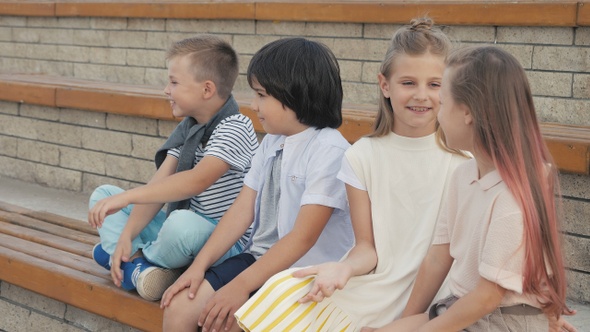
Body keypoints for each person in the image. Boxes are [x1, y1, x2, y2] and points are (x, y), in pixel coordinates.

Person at [235, 17, 469, 331]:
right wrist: (343, 268)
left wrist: (404, 323)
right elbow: (367, 248)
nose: (421, 95)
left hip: (440, 296)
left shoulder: (463, 158)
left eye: (435, 84)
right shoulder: (362, 155)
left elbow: (456, 254)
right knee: (279, 298)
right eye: (408, 83)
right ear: (385, 85)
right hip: (374, 287)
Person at [368, 45, 574, 331]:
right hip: (463, 306)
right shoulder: (463, 175)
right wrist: (403, 323)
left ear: (467, 113)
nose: (438, 112)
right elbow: (438, 258)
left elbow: (488, 297)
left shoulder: (511, 197)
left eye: (443, 100)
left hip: (502, 320)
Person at [159, 37, 354, 332]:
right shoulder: (271, 143)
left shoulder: (329, 151)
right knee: (180, 308)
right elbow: (240, 211)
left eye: (262, 95)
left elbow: (302, 238)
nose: (254, 104)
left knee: (229, 322)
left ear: (295, 94)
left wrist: (240, 287)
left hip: (306, 274)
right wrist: (199, 266)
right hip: (259, 259)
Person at [87, 34, 259, 302]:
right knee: (103, 195)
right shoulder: (189, 128)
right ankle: (136, 266)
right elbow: (157, 189)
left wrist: (129, 196)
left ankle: (128, 263)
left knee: (181, 225)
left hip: (222, 243)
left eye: (174, 82)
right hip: (179, 234)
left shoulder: (236, 127)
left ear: (207, 89)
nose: (166, 90)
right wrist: (127, 234)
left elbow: (196, 181)